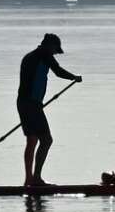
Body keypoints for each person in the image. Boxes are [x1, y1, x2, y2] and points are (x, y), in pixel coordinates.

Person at [17, 33, 82, 187]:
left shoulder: (29, 56)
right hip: (32, 105)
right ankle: (36, 179)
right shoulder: (43, 54)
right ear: (49, 45)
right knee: (46, 140)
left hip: (24, 103)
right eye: (54, 50)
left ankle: (29, 180)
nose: (54, 53)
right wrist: (74, 77)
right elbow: (58, 71)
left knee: (32, 140)